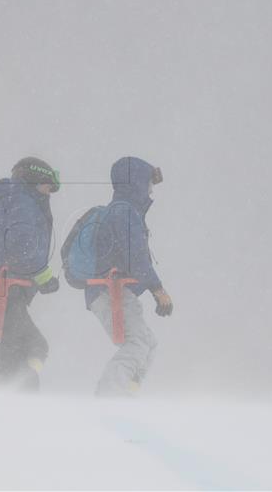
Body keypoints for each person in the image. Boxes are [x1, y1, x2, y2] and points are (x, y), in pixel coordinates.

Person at [0, 157, 60, 391]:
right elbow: (21, 245)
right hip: (4, 287)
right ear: (34, 180)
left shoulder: (7, 202)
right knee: (33, 344)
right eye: (48, 186)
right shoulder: (23, 203)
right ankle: (10, 398)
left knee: (19, 347)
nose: (49, 193)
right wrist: (43, 276)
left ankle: (14, 397)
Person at [85, 156, 173, 397]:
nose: (151, 190)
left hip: (110, 289)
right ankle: (109, 397)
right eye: (148, 184)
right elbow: (137, 258)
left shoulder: (124, 211)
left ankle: (127, 393)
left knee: (148, 343)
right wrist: (158, 290)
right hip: (110, 290)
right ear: (136, 183)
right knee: (136, 344)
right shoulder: (124, 212)